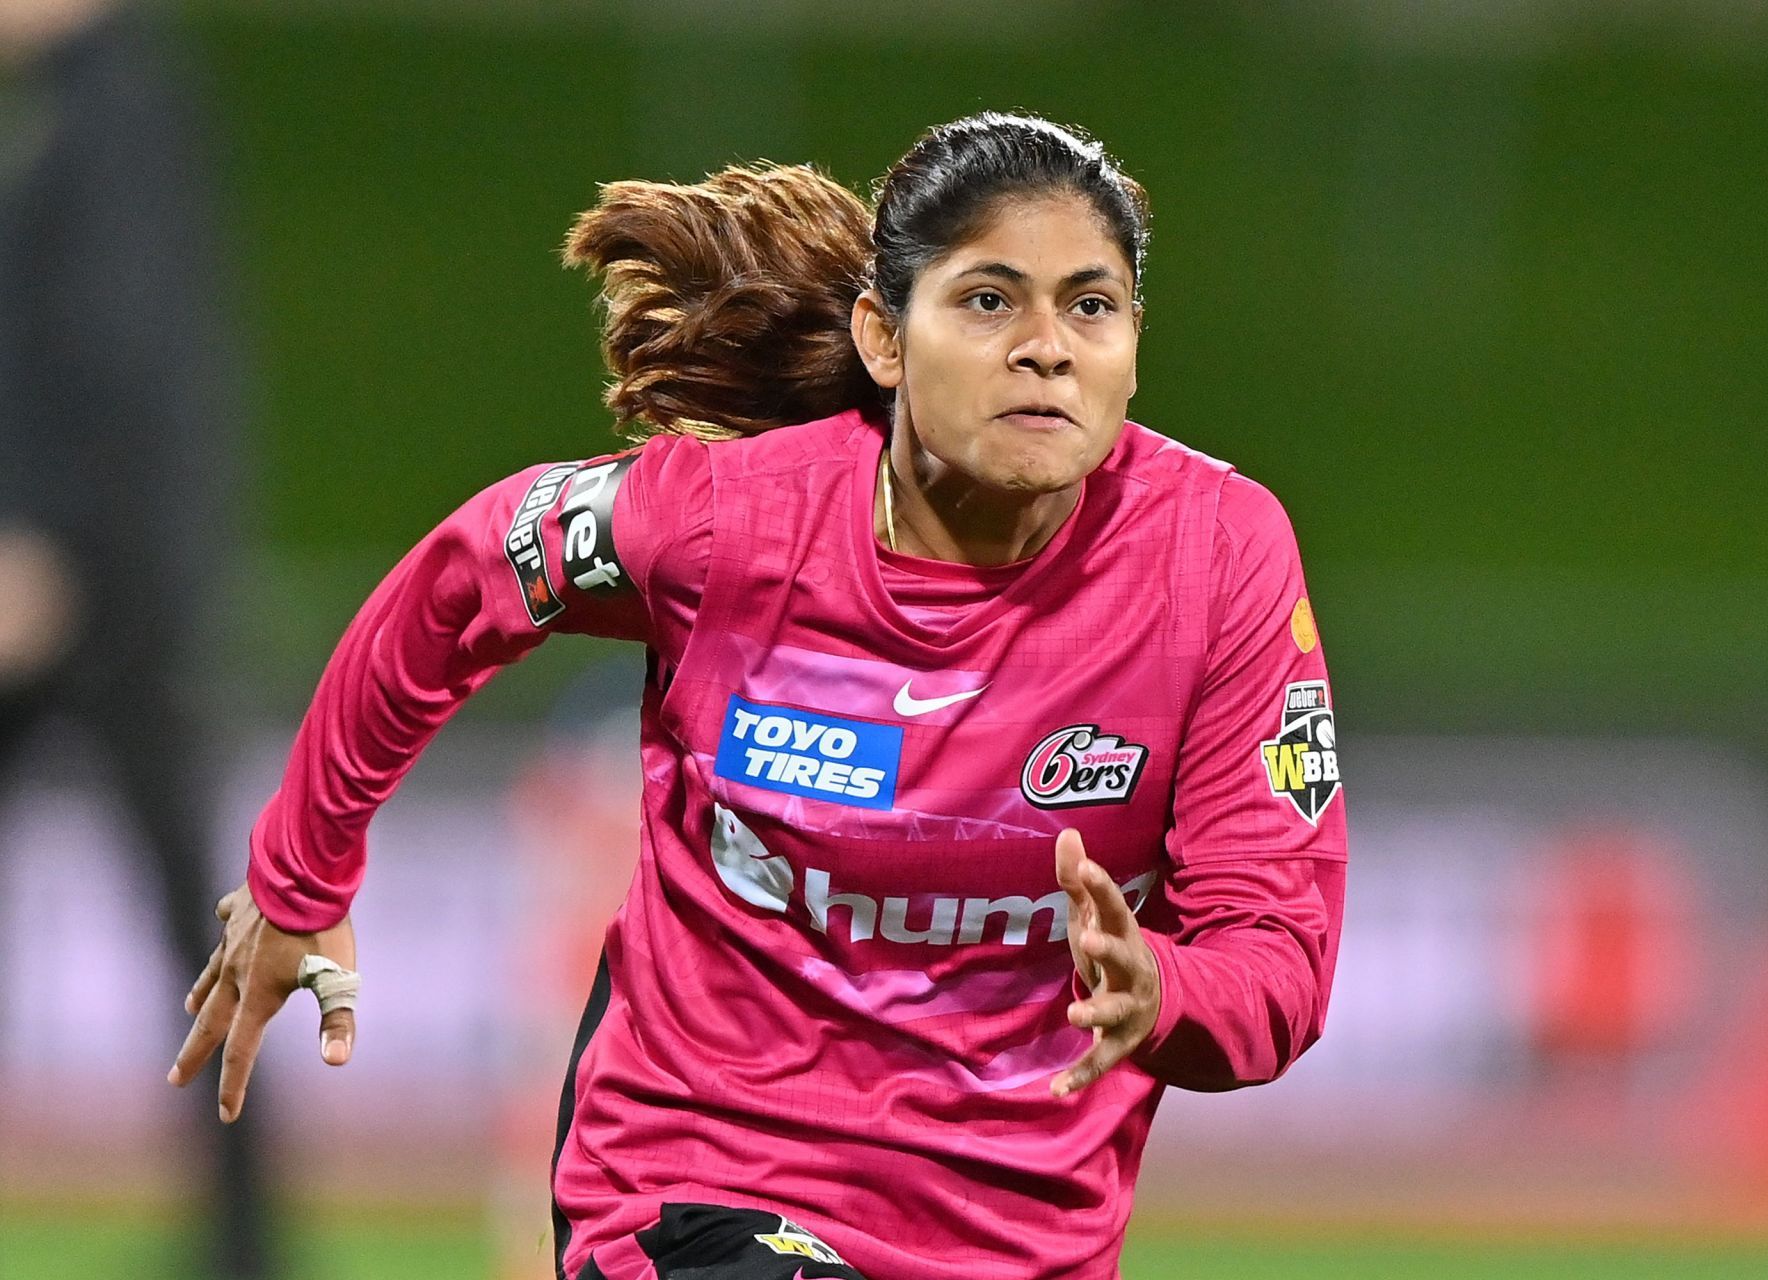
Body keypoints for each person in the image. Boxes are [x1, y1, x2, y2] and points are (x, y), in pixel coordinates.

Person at [166, 112, 1348, 1280]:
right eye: (989, 300)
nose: (1047, 345)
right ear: (884, 339)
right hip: (696, 1184)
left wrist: (1167, 989)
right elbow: (465, 575)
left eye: (1090, 305)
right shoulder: (725, 523)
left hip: (1015, 1244)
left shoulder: (1218, 558)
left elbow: (1279, 957)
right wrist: (299, 874)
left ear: (1134, 345)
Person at [2, 3, 280, 1275]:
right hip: (117, 577)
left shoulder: (107, 107)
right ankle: (243, 1239)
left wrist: (44, 542)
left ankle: (241, 1239)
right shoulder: (102, 100)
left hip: (89, 587)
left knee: (198, 926)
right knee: (198, 925)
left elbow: (115, 350)